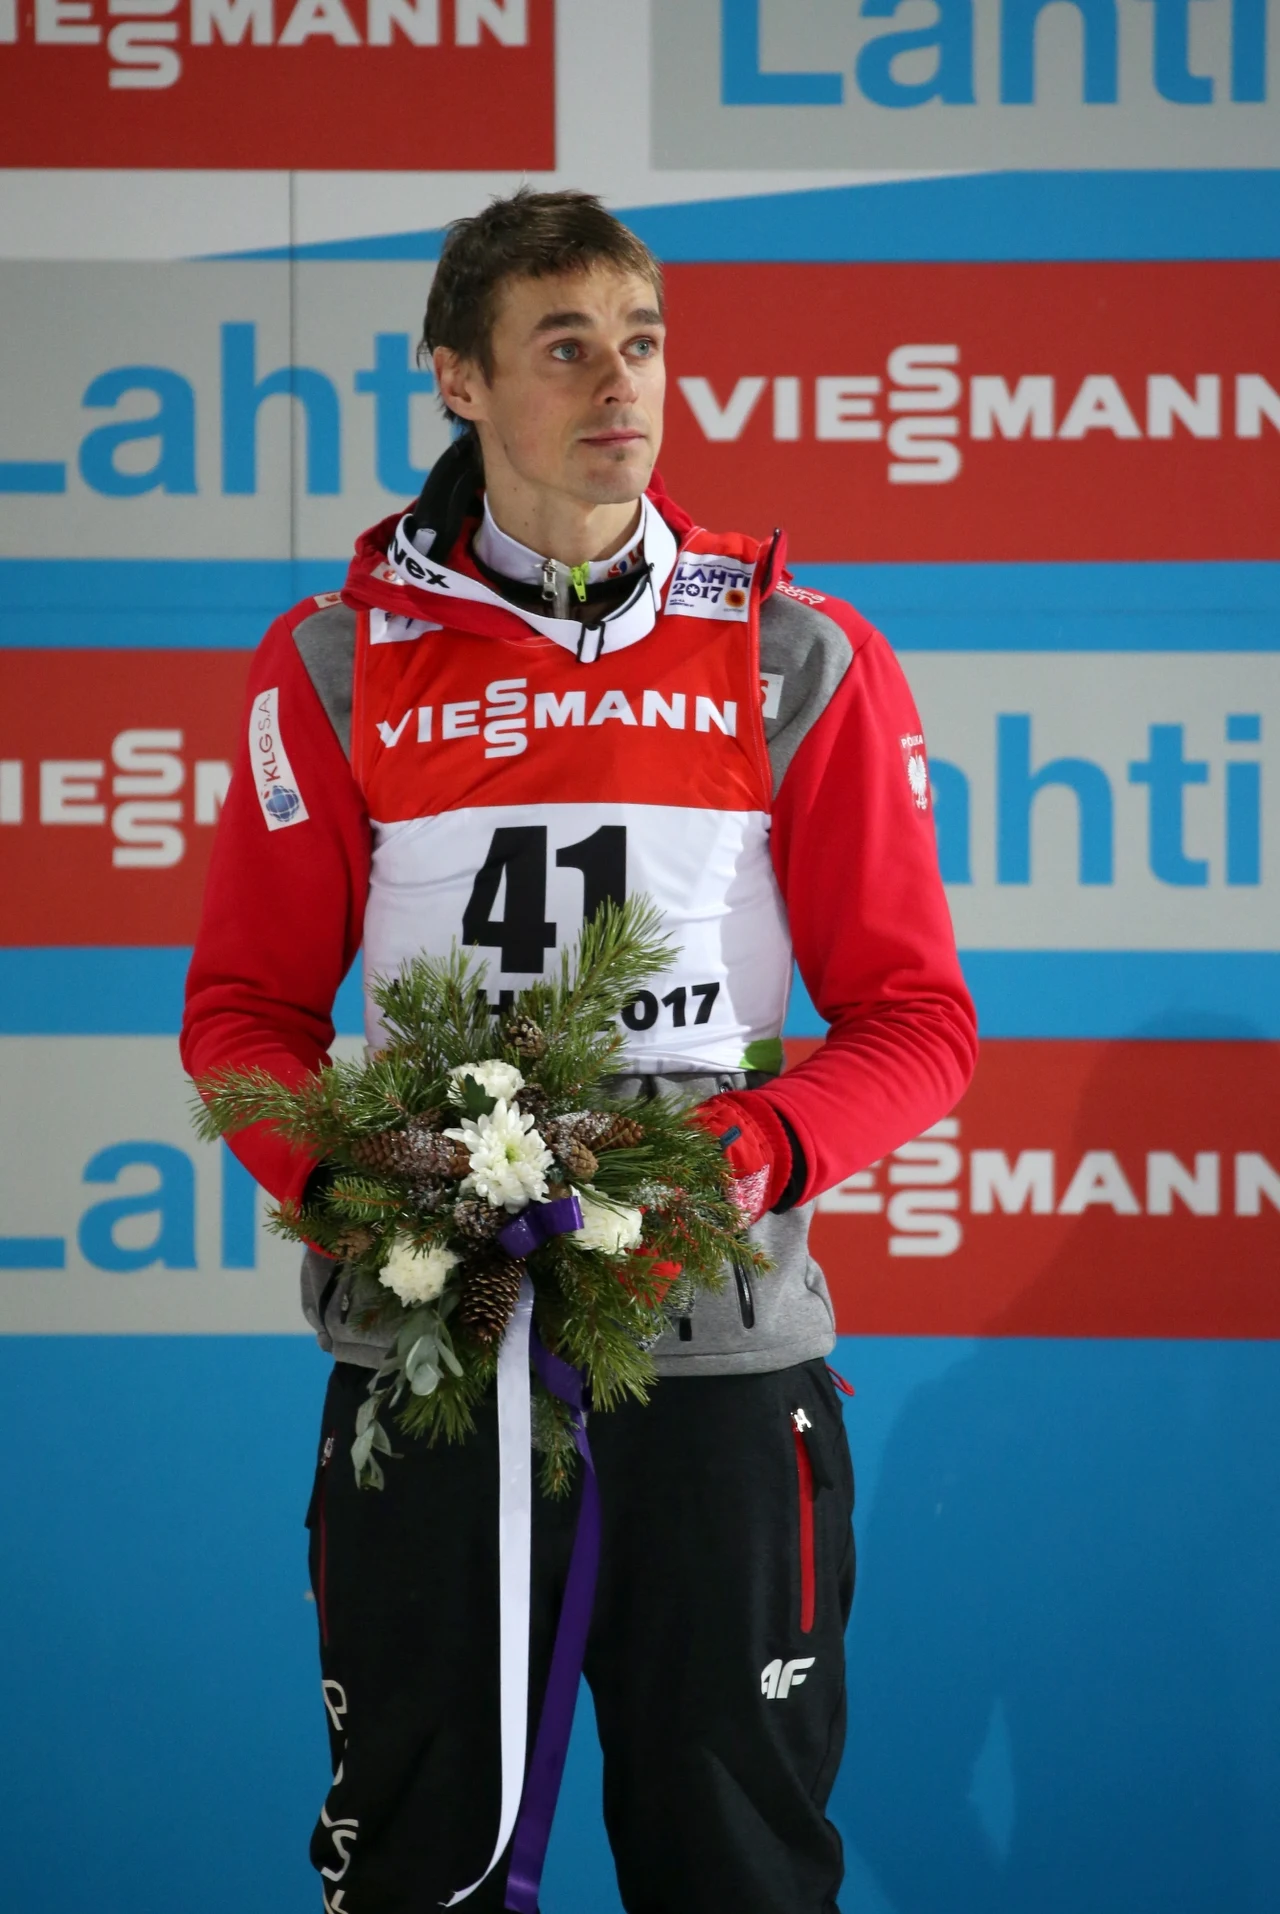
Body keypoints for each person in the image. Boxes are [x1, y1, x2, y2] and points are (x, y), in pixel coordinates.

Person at [181, 187, 977, 1914]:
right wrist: (360, 1180)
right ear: (457, 379)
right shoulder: (335, 660)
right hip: (431, 1358)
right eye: (565, 347)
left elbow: (919, 1021)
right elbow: (241, 1017)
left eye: (643, 341)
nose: (623, 384)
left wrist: (735, 1160)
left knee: (740, 1875)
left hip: (717, 1358)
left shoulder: (794, 652)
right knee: (421, 1873)